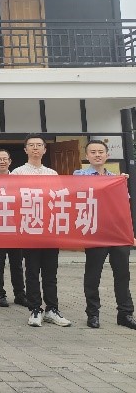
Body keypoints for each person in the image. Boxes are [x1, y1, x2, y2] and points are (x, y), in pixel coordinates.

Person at [75, 140, 136, 330]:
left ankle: (125, 313)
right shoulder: (79, 175)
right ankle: (93, 313)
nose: (97, 155)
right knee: (93, 275)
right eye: (93, 152)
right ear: (87, 156)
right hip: (95, 232)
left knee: (122, 274)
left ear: (107, 155)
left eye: (101, 152)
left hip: (117, 233)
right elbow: (78, 195)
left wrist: (129, 233)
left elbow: (123, 208)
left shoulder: (116, 178)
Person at [12, 134, 71, 327]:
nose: (35, 148)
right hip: (29, 228)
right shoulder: (17, 173)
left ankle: (52, 309)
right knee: (32, 271)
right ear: (25, 149)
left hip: (49, 228)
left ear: (45, 150)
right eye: (31, 145)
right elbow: (13, 199)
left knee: (50, 272)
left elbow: (59, 198)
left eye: (39, 145)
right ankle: (35, 309)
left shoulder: (52, 173)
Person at [0, 149, 28, 308]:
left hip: (15, 228)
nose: (2, 162)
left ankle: (20, 294)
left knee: (17, 264)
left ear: (10, 161)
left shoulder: (18, 180)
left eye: (5, 159)